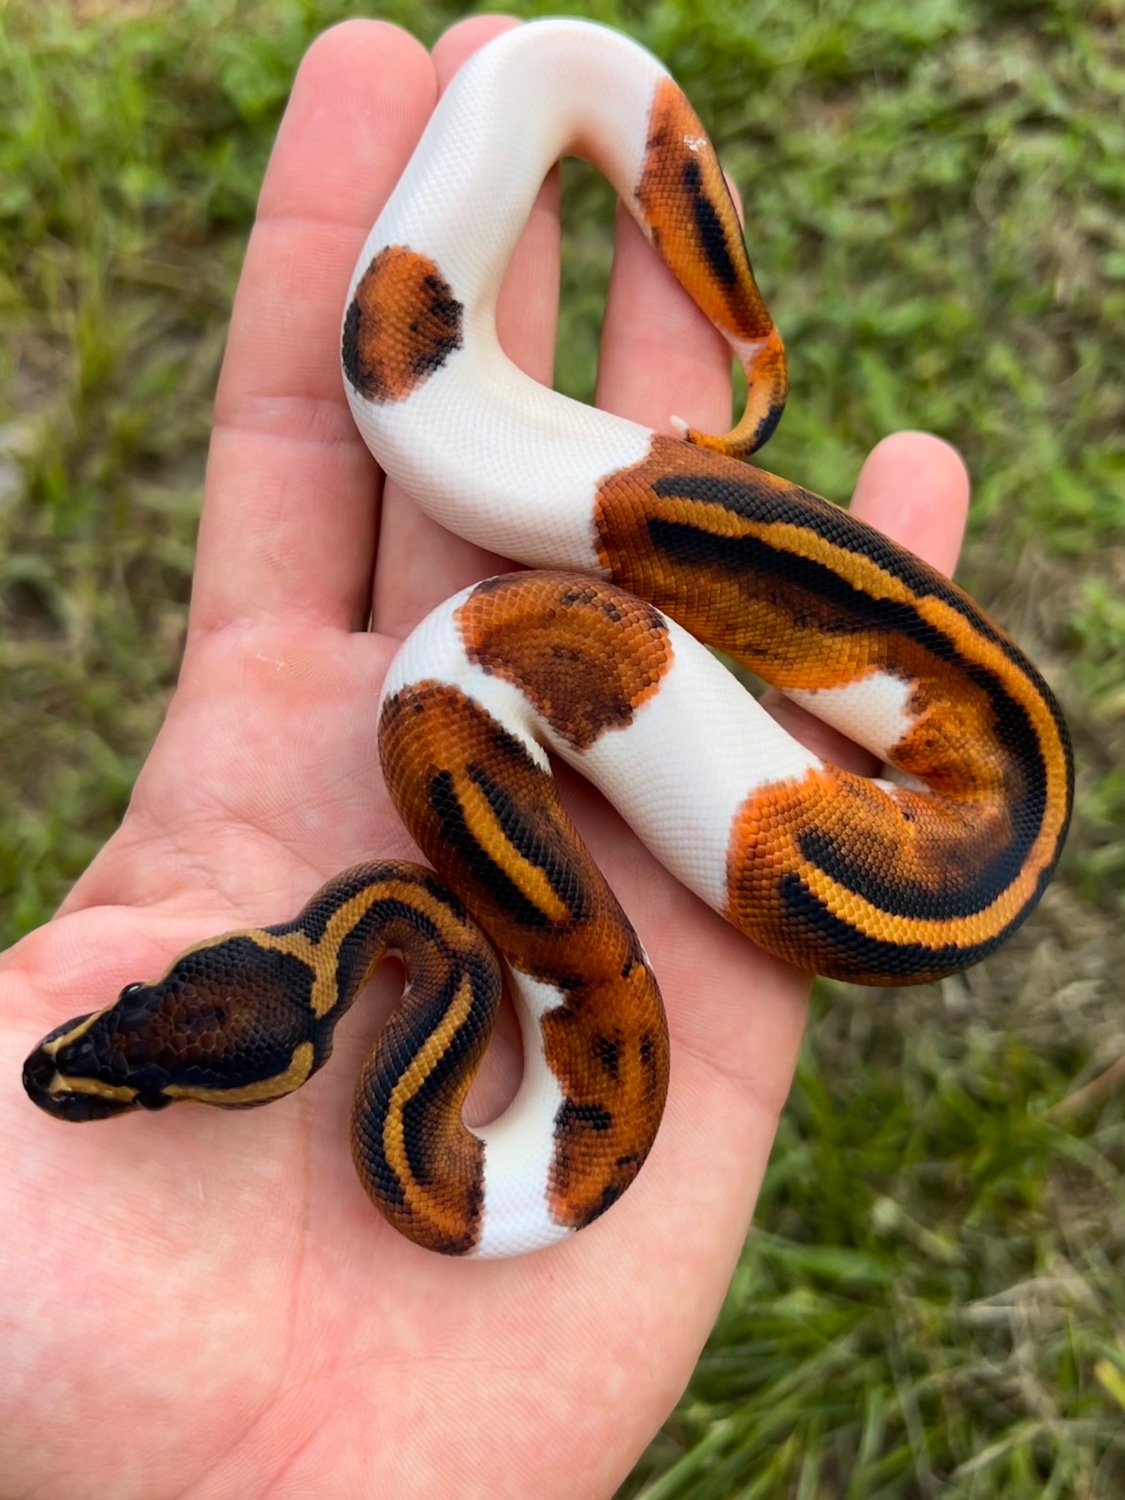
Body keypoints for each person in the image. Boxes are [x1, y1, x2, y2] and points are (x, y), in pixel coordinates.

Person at [0, 14, 970, 1497]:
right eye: (154, 1070)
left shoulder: (437, 989)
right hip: (838, 794)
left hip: (833, 787)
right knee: (478, 219)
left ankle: (600, 130)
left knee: (454, 293)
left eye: (142, 1051)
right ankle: (621, 163)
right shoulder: (429, 955)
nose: (108, 1058)